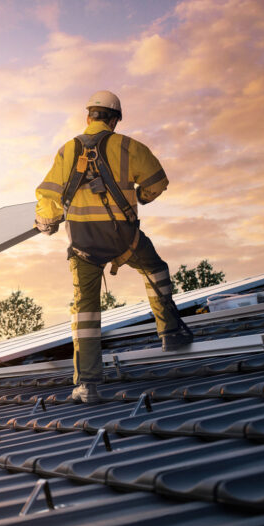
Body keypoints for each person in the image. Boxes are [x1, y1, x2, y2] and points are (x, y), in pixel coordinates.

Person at [35, 90, 192, 403]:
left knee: (85, 310)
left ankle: (86, 386)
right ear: (115, 120)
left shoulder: (67, 151)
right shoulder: (129, 146)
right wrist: (143, 197)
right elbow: (157, 183)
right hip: (124, 238)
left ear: (88, 116)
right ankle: (171, 335)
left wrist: (46, 223)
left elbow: (49, 198)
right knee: (155, 270)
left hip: (83, 245)